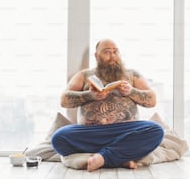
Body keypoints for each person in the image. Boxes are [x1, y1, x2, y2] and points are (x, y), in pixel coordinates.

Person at [51, 39, 164, 172]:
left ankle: (104, 157)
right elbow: (64, 100)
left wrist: (131, 91)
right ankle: (120, 157)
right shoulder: (84, 75)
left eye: (115, 52)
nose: (112, 55)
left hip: (126, 131)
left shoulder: (132, 74)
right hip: (92, 134)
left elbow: (152, 100)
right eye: (106, 52)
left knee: (156, 130)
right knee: (59, 138)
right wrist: (90, 95)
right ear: (96, 56)